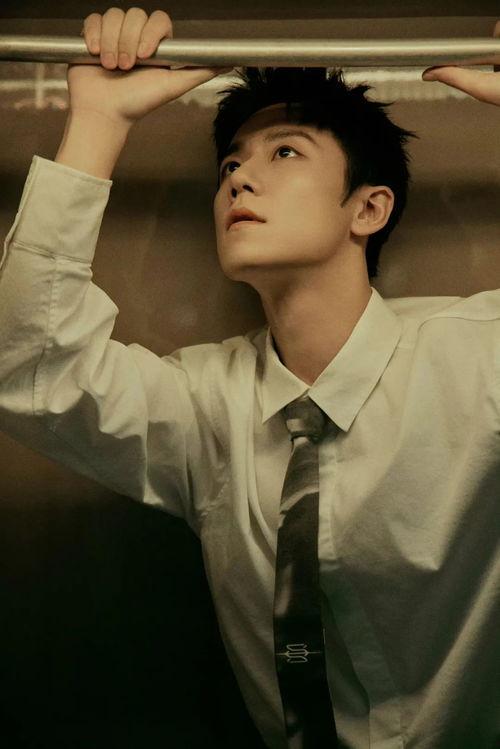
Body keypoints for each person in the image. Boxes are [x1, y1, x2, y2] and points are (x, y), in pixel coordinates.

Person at [0, 6, 499, 748]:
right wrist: (99, 122)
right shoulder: (206, 406)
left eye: (285, 152)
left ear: (368, 208)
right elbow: (30, 368)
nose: (240, 179)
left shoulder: (476, 360)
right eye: (230, 165)